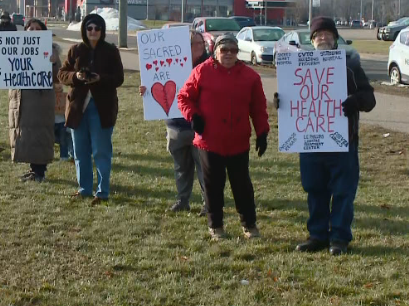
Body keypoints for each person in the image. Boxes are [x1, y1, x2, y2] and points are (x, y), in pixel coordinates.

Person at [274, 17, 376, 255]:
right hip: (310, 141)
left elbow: (370, 99)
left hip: (342, 142)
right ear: (311, 40)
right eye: (318, 35)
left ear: (335, 39)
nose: (323, 38)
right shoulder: (298, 67)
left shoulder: (350, 66)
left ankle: (339, 238)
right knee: (314, 190)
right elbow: (294, 96)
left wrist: (356, 101)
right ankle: (317, 235)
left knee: (343, 192)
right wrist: (282, 101)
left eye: (328, 34)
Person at [177, 34, 269, 241]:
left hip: (238, 142)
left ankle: (249, 224)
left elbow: (258, 108)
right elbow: (184, 97)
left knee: (242, 186)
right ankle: (216, 226)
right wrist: (194, 116)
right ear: (215, 51)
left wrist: (262, 132)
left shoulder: (251, 77)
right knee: (213, 186)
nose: (228, 54)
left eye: (233, 50)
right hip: (210, 141)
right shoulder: (201, 71)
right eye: (224, 50)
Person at [139, 30, 209, 214]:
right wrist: (146, 90)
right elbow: (157, 85)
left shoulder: (209, 67)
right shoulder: (170, 65)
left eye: (201, 42)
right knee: (181, 167)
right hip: (175, 125)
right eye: (195, 43)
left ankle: (208, 204)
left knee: (204, 167)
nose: (200, 46)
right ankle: (182, 200)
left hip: (201, 126)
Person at [59, 13, 124, 205]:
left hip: (102, 108)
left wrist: (100, 78)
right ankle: (84, 189)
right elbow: (62, 74)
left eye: (97, 28)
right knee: (80, 151)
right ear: (84, 30)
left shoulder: (111, 51)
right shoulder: (75, 50)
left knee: (101, 151)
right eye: (89, 28)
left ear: (102, 31)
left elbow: (119, 78)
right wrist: (76, 77)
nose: (93, 31)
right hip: (78, 108)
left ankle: (102, 192)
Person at [6, 18, 61, 182]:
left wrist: (54, 63)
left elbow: (58, 76)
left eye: (38, 28)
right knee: (26, 134)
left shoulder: (51, 50)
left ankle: (40, 171)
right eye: (31, 28)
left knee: (39, 133)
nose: (34, 31)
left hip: (40, 100)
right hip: (20, 98)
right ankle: (33, 169)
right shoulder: (16, 48)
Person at [52, 42, 72, 161]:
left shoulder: (56, 60)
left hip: (58, 110)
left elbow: (59, 76)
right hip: (47, 108)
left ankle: (64, 155)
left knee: (63, 135)